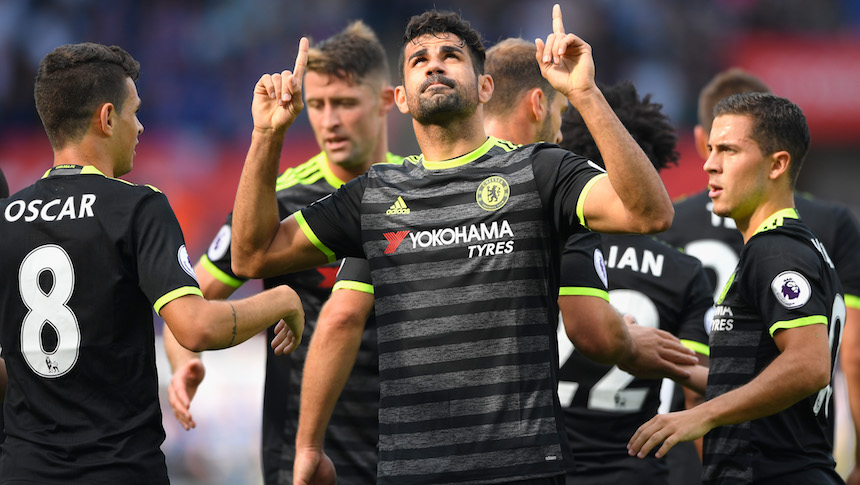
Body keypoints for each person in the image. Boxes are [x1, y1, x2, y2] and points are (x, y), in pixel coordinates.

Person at [232, 5, 693, 484]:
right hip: (412, 471)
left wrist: (585, 94)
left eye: (451, 56)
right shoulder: (374, 194)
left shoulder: (540, 170)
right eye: (419, 60)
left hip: (521, 470)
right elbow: (252, 255)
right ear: (401, 98)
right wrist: (266, 134)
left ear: (485, 86)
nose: (434, 64)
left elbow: (650, 213)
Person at [0, 42, 304, 484]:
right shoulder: (137, 207)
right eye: (135, 112)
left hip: (24, 471)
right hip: (120, 469)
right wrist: (282, 299)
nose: (140, 127)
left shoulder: (6, 218)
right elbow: (196, 327)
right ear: (107, 118)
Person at [162, 21, 396, 485]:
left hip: (403, 442)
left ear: (385, 101)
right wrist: (184, 361)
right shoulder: (279, 202)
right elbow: (188, 307)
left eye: (345, 103)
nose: (329, 121)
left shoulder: (415, 191)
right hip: (300, 451)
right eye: (318, 105)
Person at [628, 92, 846, 485]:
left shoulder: (775, 250)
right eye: (711, 149)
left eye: (728, 150)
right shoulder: (785, 246)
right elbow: (751, 379)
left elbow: (809, 365)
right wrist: (666, 362)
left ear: (777, 164)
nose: (710, 164)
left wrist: (702, 414)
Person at [554, 81, 712, 484]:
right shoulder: (683, 270)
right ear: (651, 162)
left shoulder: (549, 250)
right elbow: (697, 390)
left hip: (545, 466)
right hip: (635, 469)